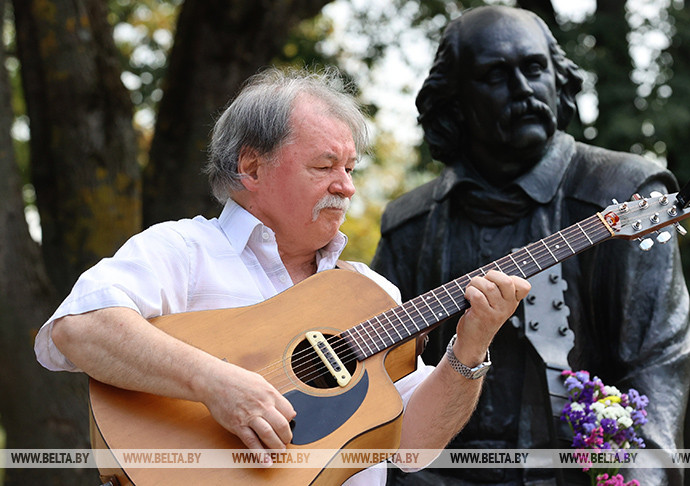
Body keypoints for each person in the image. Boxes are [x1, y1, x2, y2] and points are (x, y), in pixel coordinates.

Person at [33, 66, 530, 486]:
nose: (347, 186)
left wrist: (471, 347)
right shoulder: (182, 250)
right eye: (325, 165)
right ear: (252, 166)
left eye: (351, 168)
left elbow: (414, 446)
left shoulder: (371, 293)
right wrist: (216, 384)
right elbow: (78, 329)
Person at [371, 6, 690, 485]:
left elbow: (657, 366)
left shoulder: (623, 192)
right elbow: (374, 381)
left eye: (535, 68)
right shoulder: (409, 225)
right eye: (495, 76)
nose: (523, 90)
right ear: (456, 101)